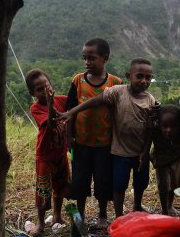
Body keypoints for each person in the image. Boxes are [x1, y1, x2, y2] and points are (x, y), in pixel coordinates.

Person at [59, 58, 157, 218]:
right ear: (128, 76)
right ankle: (119, 216)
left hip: (140, 153)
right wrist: (72, 111)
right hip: (119, 152)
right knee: (118, 185)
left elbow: (150, 128)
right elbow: (95, 101)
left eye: (148, 77)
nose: (144, 81)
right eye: (139, 76)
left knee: (140, 183)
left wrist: (146, 151)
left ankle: (137, 206)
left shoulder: (150, 100)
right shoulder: (118, 91)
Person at [66, 38, 122, 228]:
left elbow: (118, 113)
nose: (87, 62)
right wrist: (68, 136)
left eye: (92, 58)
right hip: (81, 142)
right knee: (80, 181)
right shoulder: (78, 80)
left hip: (104, 144)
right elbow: (70, 110)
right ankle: (79, 215)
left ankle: (102, 215)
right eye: (85, 58)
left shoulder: (115, 82)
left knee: (102, 181)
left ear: (104, 58)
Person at [25, 69, 71, 236]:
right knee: (43, 191)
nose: (45, 91)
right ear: (33, 93)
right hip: (45, 157)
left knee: (60, 187)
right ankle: (40, 224)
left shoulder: (61, 100)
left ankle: (57, 217)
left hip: (60, 154)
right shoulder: (35, 108)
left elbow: (76, 103)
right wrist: (51, 105)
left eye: (47, 85)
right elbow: (51, 124)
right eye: (39, 89)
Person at [142, 104, 180, 215]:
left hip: (177, 160)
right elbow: (148, 139)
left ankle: (170, 205)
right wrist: (145, 154)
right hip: (161, 162)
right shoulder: (155, 131)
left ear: (179, 125)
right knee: (164, 186)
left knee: (175, 185)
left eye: (173, 126)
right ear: (159, 124)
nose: (169, 130)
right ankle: (164, 210)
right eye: (165, 126)